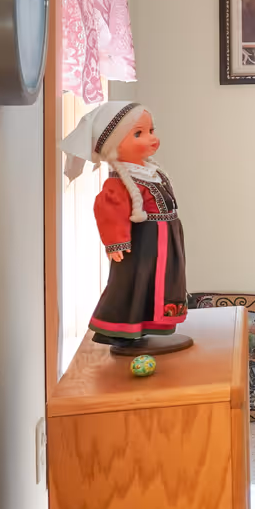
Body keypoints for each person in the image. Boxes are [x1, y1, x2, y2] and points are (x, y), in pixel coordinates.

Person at [60, 100, 189, 352]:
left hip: (165, 239)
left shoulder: (150, 171)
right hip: (142, 243)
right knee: (135, 281)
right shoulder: (120, 181)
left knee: (161, 281)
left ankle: (150, 322)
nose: (151, 138)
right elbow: (109, 210)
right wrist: (116, 242)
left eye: (151, 131)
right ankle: (121, 328)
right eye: (139, 133)